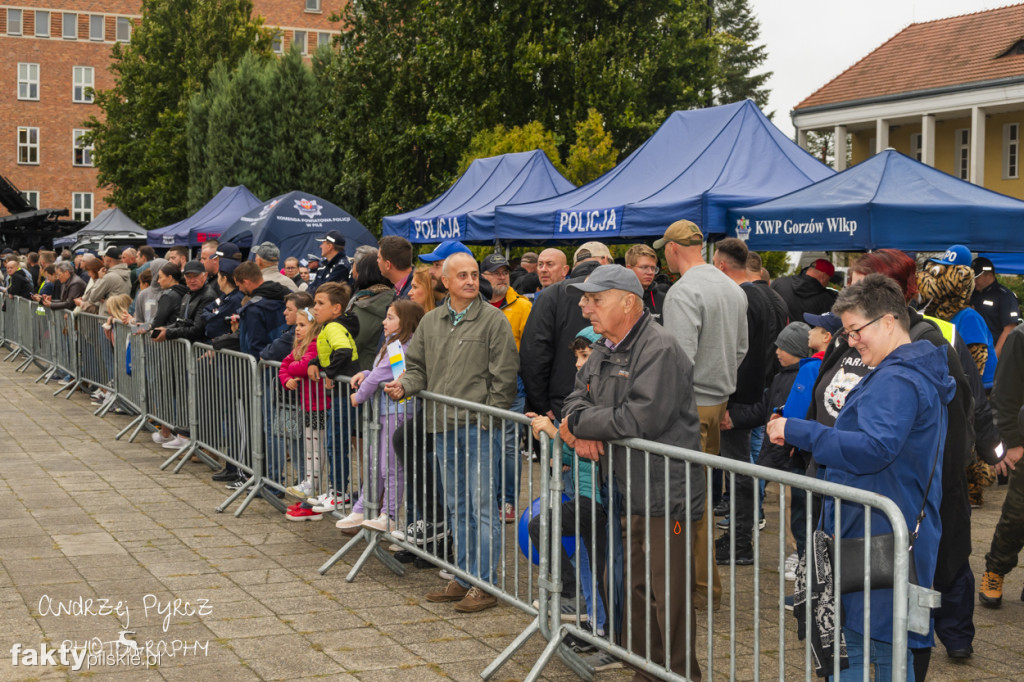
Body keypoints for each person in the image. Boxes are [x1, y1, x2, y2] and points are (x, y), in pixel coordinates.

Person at [767, 274, 955, 682]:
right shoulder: (902, 371)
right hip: (881, 531)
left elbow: (873, 448)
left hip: (879, 535)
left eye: (855, 331)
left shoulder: (899, 379)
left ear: (889, 322)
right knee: (874, 645)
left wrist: (798, 431)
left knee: (866, 648)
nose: (850, 341)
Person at [560, 264, 703, 681]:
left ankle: (679, 674)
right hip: (624, 487)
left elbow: (638, 419)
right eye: (585, 298)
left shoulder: (659, 347)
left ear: (628, 302)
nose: (586, 307)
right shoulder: (604, 346)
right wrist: (578, 422)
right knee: (633, 587)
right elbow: (573, 399)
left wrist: (582, 425)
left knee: (669, 594)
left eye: (595, 298)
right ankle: (644, 670)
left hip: (665, 491)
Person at [385, 251, 518, 613]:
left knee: (482, 507)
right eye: (462, 275)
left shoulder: (493, 321)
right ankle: (464, 576)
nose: (471, 280)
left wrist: (487, 421)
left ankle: (485, 583)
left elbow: (504, 379)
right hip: (442, 427)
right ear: (445, 281)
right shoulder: (430, 323)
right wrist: (404, 386)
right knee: (458, 506)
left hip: (477, 429)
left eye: (474, 274)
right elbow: (417, 370)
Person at [658, 219, 747, 610]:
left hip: (691, 404)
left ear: (674, 249)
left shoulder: (682, 292)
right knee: (699, 497)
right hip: (718, 399)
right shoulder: (731, 286)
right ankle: (701, 586)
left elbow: (679, 362)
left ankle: (700, 588)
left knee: (686, 499)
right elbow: (741, 349)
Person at [527, 327, 611, 648]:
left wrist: (555, 434)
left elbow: (591, 442)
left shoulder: (599, 396)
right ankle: (592, 620)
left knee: (591, 561)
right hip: (584, 492)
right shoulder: (584, 393)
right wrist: (556, 443)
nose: (578, 364)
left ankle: (596, 624)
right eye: (576, 356)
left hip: (596, 497)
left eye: (585, 356)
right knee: (588, 559)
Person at [711, 238, 777, 567]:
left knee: (738, 471)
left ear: (721, 265)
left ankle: (739, 540)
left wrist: (731, 409)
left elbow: (745, 356)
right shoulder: (770, 293)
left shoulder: (745, 299)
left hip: (744, 400)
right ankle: (740, 536)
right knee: (744, 470)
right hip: (762, 397)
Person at [337, 300, 425, 533]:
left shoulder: (403, 347)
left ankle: (389, 514)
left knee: (390, 466)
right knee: (376, 463)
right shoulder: (393, 343)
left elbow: (380, 377)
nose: (384, 322)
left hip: (397, 413)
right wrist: (365, 373)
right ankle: (362, 508)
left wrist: (359, 396)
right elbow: (379, 371)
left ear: (404, 322)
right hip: (387, 412)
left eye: (390, 317)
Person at [520, 242, 610, 421]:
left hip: (562, 403)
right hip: (604, 406)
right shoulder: (617, 293)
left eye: (550, 264)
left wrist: (541, 403)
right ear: (606, 262)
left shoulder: (552, 294)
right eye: (540, 264)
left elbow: (534, 353)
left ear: (571, 267)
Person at [480, 252, 533, 522]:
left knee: (509, 447)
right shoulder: (475, 303)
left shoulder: (523, 306)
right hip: (479, 387)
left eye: (504, 272)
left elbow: (530, 350)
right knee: (485, 446)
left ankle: (508, 502)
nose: (501, 276)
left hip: (513, 385)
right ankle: (488, 498)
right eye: (495, 272)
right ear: (483, 277)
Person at [302, 281, 361, 516]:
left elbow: (344, 351)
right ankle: (336, 490)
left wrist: (331, 374)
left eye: (320, 303)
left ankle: (339, 493)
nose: (315, 308)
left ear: (337, 308)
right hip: (339, 393)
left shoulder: (334, 327)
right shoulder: (329, 327)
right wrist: (316, 363)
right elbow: (332, 352)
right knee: (333, 443)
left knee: (336, 443)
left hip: (344, 394)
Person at [979, 323, 1024, 609]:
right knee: (1017, 514)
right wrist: (1014, 442)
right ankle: (995, 570)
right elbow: (1005, 394)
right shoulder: (1020, 337)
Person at [279, 307, 329, 516]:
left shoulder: (316, 344)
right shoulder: (299, 346)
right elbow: (284, 365)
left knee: (316, 449)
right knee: (309, 447)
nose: (297, 329)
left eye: (302, 325)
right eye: (296, 325)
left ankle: (312, 484)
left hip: (320, 406)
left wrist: (294, 369)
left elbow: (302, 366)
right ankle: (309, 487)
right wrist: (287, 379)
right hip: (307, 405)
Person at [347, 252, 395, 370]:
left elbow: (350, 343)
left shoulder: (365, 306)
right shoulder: (390, 297)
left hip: (363, 375)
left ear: (365, 273)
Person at [234, 261, 289, 358]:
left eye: (239, 285)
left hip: (263, 366)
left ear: (246, 282)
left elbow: (255, 345)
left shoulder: (253, 309)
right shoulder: (287, 294)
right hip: (286, 361)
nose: (240, 289)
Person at [153, 261, 217, 343]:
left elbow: (197, 330)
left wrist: (168, 333)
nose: (192, 280)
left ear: (205, 276)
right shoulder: (187, 295)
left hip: (201, 348)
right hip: (188, 349)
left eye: (196, 276)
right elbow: (180, 322)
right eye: (188, 277)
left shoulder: (208, 297)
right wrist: (165, 329)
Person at [970, 256, 1020, 358]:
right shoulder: (971, 295)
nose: (974, 281)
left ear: (989, 275)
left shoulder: (1004, 296)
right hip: (973, 353)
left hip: (993, 353)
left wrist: (994, 358)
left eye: (977, 278)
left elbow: (1009, 329)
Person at [771, 258, 838, 322]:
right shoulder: (825, 299)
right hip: (809, 333)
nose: (827, 283)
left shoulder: (779, 283)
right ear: (823, 277)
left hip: (779, 333)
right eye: (828, 280)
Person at [624, 244, 668, 323]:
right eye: (644, 267)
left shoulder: (664, 300)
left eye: (653, 268)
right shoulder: (618, 299)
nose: (650, 272)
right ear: (629, 269)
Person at [88, 247, 132, 315]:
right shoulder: (127, 273)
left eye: (104, 257)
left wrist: (100, 279)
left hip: (108, 319)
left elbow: (93, 297)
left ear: (109, 259)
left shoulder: (109, 277)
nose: (103, 259)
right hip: (121, 317)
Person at [308, 230, 350, 295]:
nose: (320, 246)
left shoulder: (341, 267)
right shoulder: (324, 266)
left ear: (329, 246)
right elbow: (311, 286)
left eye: (323, 243)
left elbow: (324, 291)